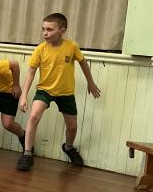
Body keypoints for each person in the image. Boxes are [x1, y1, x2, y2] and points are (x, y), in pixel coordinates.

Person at [17, 13, 101, 171]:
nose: (45, 33)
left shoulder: (71, 47)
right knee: (33, 116)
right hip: (45, 90)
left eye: (50, 29)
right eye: (43, 29)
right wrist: (23, 95)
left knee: (72, 127)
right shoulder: (40, 49)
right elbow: (31, 72)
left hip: (66, 93)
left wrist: (90, 82)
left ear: (62, 31)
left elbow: (83, 64)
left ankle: (68, 147)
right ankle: (27, 153)